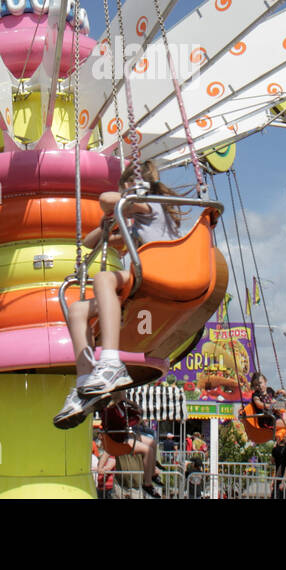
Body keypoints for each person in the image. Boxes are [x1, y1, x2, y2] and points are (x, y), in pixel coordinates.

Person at [54, 160, 185, 428]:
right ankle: (84, 385)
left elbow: (105, 198)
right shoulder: (137, 225)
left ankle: (111, 362)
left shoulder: (153, 206)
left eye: (124, 188)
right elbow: (90, 243)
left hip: (162, 275)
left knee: (103, 278)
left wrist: (119, 203)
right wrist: (108, 224)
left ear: (134, 187)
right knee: (78, 309)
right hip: (146, 279)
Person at [100, 390, 161, 498]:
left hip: (123, 436)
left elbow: (138, 413)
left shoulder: (121, 407)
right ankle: (147, 484)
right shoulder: (110, 410)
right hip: (118, 439)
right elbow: (128, 420)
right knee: (147, 450)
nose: (125, 394)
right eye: (123, 392)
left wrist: (129, 402)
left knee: (152, 443)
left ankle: (151, 472)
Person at [247, 371, 286, 442]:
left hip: (276, 415)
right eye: (256, 385)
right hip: (269, 420)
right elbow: (259, 404)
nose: (259, 387)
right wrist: (270, 405)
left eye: (260, 383)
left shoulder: (269, 390)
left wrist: (282, 392)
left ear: (265, 382)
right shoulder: (256, 396)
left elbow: (275, 395)